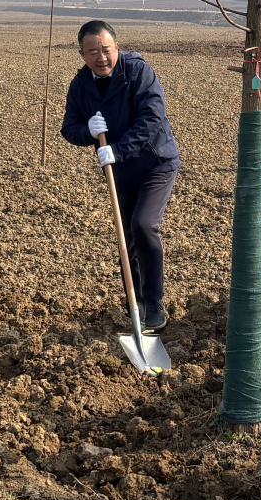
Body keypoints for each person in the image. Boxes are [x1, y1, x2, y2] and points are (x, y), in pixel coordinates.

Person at [62, 20, 180, 331]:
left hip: (156, 163)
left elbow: (152, 117)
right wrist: (87, 131)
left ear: (117, 47)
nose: (101, 58)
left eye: (106, 50)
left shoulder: (137, 72)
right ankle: (136, 302)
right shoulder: (80, 85)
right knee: (126, 240)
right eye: (92, 52)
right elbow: (68, 128)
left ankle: (155, 301)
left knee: (143, 225)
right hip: (119, 173)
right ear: (82, 53)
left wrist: (119, 149)